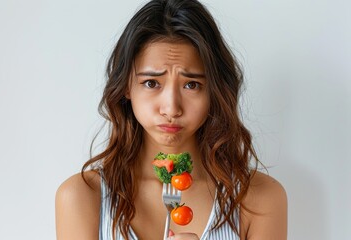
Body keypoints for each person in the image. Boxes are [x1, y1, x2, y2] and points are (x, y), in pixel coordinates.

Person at [55, 0, 287, 239]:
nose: (171, 108)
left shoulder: (259, 199)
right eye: (151, 83)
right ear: (126, 86)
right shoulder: (82, 197)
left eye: (191, 85)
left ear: (214, 92)